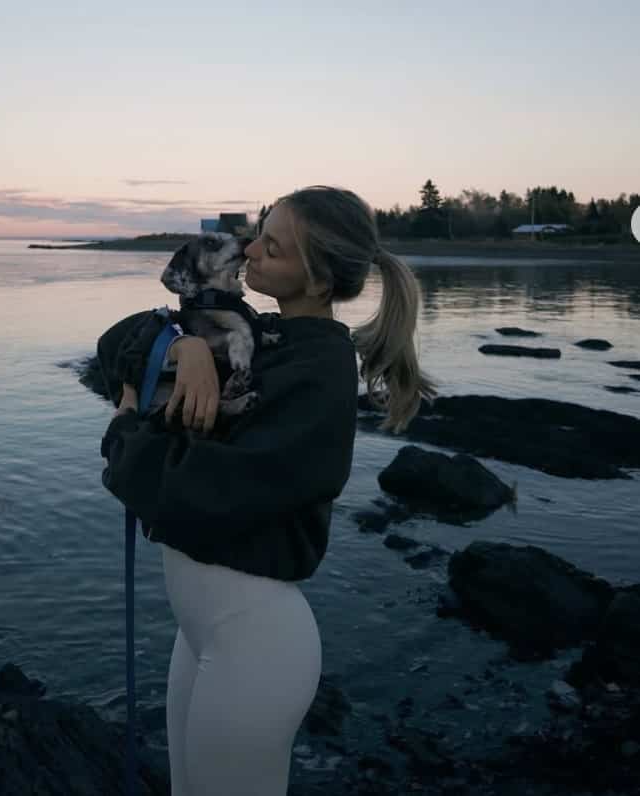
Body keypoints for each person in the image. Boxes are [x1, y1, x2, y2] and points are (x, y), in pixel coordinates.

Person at [97, 185, 437, 796]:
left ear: (317, 279)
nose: (249, 250)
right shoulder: (261, 336)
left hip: (254, 645)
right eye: (260, 232)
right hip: (200, 633)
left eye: (272, 247)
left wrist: (124, 432)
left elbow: (194, 493)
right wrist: (183, 345)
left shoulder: (319, 377)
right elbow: (114, 346)